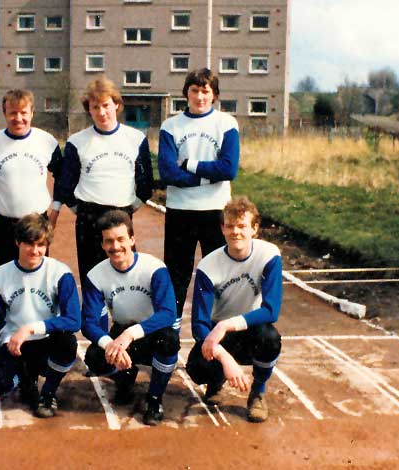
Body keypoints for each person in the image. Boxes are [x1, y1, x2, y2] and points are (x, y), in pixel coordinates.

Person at [185, 196, 282, 423]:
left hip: (249, 328)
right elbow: (199, 323)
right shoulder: (208, 265)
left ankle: (258, 392)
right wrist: (223, 356)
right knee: (196, 367)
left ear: (255, 229)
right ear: (222, 229)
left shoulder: (269, 255)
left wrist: (227, 324)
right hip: (217, 335)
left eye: (242, 226)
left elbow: (271, 310)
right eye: (230, 226)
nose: (235, 232)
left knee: (270, 338)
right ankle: (215, 381)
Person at [81, 210, 179, 426]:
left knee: (170, 340)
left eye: (120, 239)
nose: (115, 246)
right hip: (121, 333)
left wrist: (131, 334)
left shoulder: (154, 268)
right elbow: (88, 322)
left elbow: (168, 312)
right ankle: (124, 378)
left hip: (150, 332)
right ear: (102, 245)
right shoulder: (96, 275)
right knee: (95, 357)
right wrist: (110, 345)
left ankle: (154, 398)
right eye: (109, 241)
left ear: (132, 239)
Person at [52, 76, 153, 279]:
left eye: (106, 105)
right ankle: (93, 312)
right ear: (89, 109)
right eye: (95, 107)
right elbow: (66, 184)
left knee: (125, 273)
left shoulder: (136, 139)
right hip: (88, 217)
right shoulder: (77, 142)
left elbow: (145, 183)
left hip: (122, 213)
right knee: (91, 276)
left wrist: (130, 207)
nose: (101, 112)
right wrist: (79, 210)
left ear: (116, 105)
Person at [157, 68, 240, 317]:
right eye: (195, 91)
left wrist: (191, 165)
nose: (200, 97)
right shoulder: (170, 126)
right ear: (186, 93)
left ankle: (216, 327)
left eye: (206, 91)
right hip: (180, 211)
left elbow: (228, 168)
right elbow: (169, 173)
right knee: (176, 274)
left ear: (214, 95)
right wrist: (208, 178)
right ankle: (170, 331)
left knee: (217, 273)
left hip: (215, 210)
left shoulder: (226, 123)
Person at [0, 213, 80, 418]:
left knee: (68, 343)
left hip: (46, 343)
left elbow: (73, 320)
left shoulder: (60, 273)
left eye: (41, 245)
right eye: (29, 244)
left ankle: (48, 393)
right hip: (14, 346)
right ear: (17, 242)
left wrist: (31, 328)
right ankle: (25, 378)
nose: (35, 251)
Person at [0, 89, 63, 269]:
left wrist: (54, 214)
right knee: (3, 279)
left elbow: (62, 178)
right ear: (5, 113)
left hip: (36, 223)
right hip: (2, 225)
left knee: (36, 277)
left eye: (23, 112)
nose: (18, 118)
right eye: (13, 113)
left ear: (32, 113)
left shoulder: (47, 142)